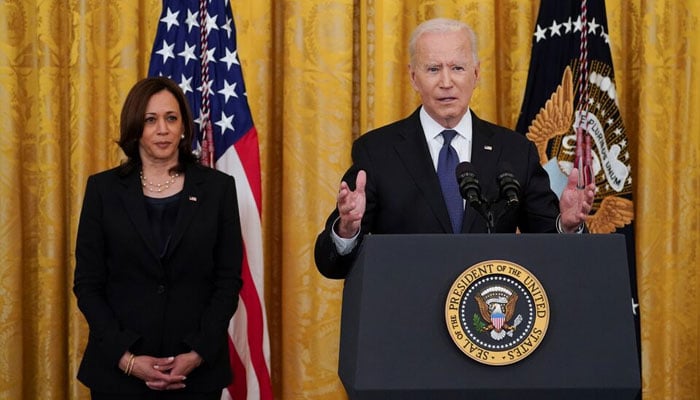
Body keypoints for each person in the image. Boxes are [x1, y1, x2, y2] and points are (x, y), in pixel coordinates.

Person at [314, 18, 596, 279]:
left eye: (457, 68)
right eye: (433, 69)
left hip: (490, 320)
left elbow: (548, 244)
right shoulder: (377, 151)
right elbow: (330, 264)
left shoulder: (514, 151)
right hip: (406, 319)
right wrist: (347, 229)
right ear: (413, 77)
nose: (446, 82)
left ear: (475, 74)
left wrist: (567, 225)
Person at [73, 76, 243, 399]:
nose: (162, 129)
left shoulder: (219, 189)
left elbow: (227, 281)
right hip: (118, 374)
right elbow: (87, 284)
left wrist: (197, 354)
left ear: (183, 126)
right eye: (151, 120)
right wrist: (127, 359)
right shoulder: (103, 190)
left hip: (197, 373)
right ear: (135, 126)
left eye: (171, 118)